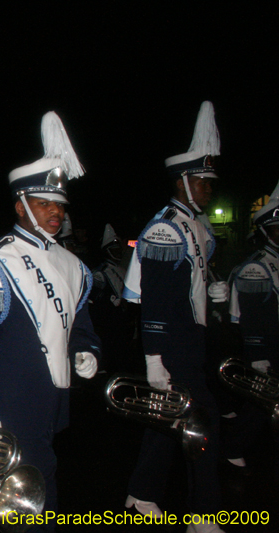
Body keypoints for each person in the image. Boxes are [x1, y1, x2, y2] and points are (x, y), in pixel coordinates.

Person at [0, 112, 100, 532]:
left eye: (59, 205)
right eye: (44, 203)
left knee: (33, 490)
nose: (55, 213)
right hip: (11, 402)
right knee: (30, 495)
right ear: (21, 205)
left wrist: (86, 349)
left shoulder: (73, 265)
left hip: (54, 396)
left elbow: (79, 324)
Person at [122, 101, 229, 533]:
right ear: (182, 181)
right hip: (175, 341)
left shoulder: (197, 227)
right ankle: (203, 515)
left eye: (208, 182)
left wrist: (217, 294)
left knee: (170, 418)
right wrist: (154, 357)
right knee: (203, 422)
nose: (207, 189)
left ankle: (141, 494)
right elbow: (155, 301)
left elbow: (194, 283)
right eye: (201, 182)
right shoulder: (166, 228)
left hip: (192, 336)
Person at [224, 180, 279, 476]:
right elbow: (252, 317)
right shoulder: (258, 266)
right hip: (267, 347)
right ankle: (233, 447)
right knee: (259, 405)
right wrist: (258, 354)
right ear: (266, 230)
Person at [88, 224, 134, 373]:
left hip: (123, 322)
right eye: (114, 250)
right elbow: (93, 300)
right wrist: (107, 299)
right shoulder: (100, 273)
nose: (118, 252)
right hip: (107, 324)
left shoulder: (123, 270)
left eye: (118, 249)